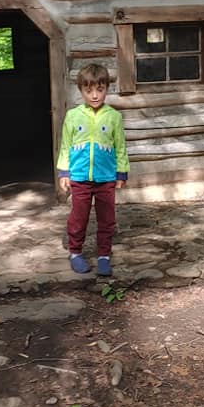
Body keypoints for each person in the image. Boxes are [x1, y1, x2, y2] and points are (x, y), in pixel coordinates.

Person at [57, 63, 129, 276]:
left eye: (100, 89)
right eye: (89, 91)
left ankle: (104, 255)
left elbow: (120, 147)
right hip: (79, 178)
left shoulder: (114, 117)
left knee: (107, 219)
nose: (95, 95)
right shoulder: (73, 116)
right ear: (81, 90)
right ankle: (76, 253)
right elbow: (65, 145)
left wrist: (121, 172)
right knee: (79, 217)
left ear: (107, 88)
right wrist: (64, 172)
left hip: (106, 177)